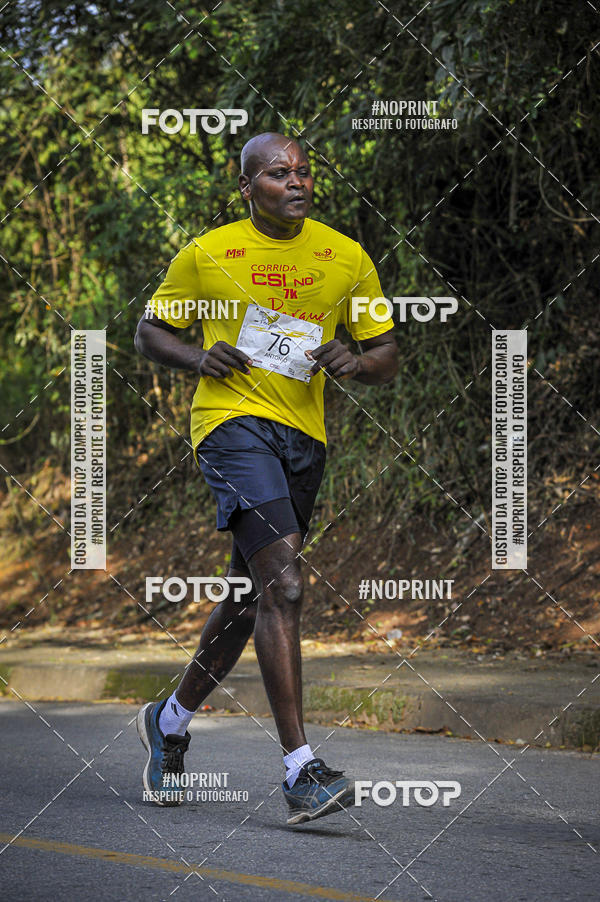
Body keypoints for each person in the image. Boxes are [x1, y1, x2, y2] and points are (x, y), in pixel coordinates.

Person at [134, 132, 398, 824]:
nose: (297, 182)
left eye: (304, 171)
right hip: (230, 425)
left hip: (304, 438)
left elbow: (386, 354)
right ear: (247, 186)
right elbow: (149, 332)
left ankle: (168, 722)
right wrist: (197, 358)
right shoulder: (209, 252)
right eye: (279, 173)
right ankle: (301, 770)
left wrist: (354, 362)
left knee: (252, 600)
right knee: (285, 582)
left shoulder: (346, 256)